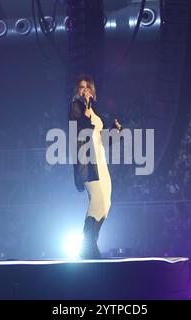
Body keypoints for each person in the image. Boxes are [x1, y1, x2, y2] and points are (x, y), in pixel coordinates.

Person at [69, 75, 122, 259]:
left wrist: (115, 132)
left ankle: (92, 243)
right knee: (97, 200)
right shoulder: (76, 106)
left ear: (92, 90)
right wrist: (87, 106)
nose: (83, 90)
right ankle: (86, 246)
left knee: (106, 203)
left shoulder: (93, 110)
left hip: (100, 160)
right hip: (88, 161)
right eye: (80, 87)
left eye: (86, 87)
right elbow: (83, 127)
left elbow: (101, 139)